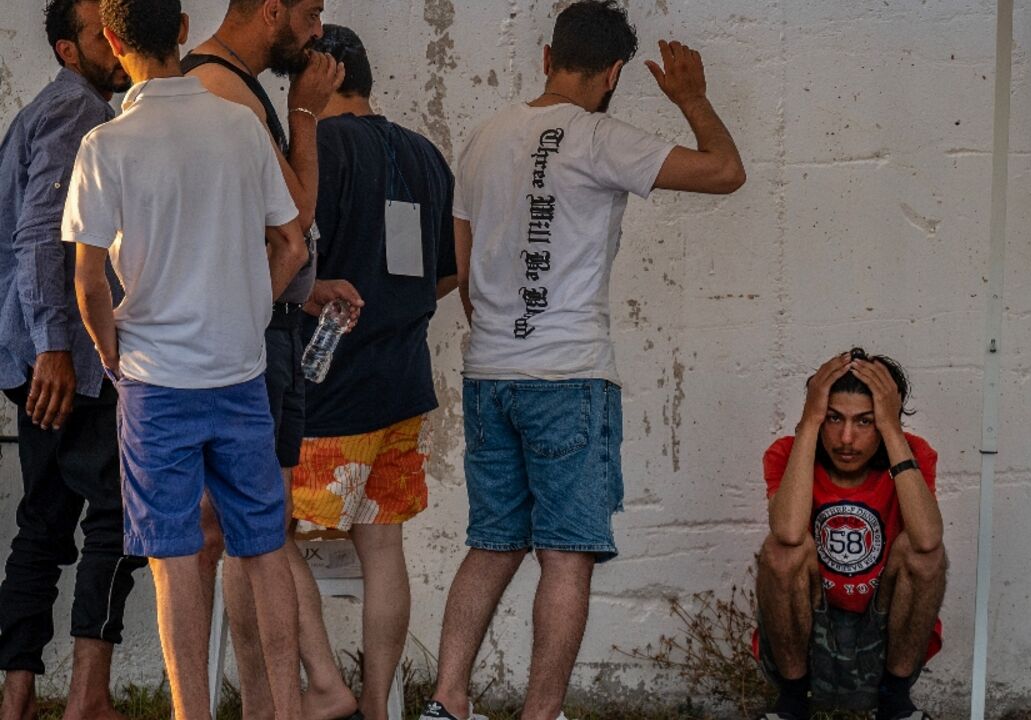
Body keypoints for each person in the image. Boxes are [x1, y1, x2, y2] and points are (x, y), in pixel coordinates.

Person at [420, 2, 745, 719]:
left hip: (492, 370)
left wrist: (508, 334)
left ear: (546, 56)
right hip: (569, 375)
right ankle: (541, 713)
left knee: (493, 542)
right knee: (566, 553)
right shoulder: (603, 139)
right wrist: (691, 98)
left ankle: (447, 701)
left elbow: (465, 272)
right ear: (615, 73)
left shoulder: (484, 138)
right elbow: (725, 171)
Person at [64, 0, 311, 717]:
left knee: (175, 561)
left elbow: (87, 283)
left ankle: (190, 713)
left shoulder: (106, 144)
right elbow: (293, 244)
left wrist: (115, 357)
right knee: (263, 548)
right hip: (239, 372)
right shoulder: (240, 125)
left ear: (112, 42)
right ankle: (288, 712)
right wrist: (248, 313)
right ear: (182, 30)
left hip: (154, 381)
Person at [180, 4, 359, 718]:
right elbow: (295, 212)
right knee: (236, 534)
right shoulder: (222, 91)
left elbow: (254, 235)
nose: (317, 32)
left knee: (249, 533)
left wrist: (302, 289)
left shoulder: (233, 86)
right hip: (239, 342)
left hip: (266, 326)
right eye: (311, 13)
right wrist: (307, 116)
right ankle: (282, 703)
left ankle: (267, 705)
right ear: (273, 8)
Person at [277, 24, 455, 720]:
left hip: (326, 399)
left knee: (257, 529)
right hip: (403, 389)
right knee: (384, 549)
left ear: (321, 75)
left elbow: (288, 260)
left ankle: (325, 684)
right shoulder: (423, 155)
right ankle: (376, 709)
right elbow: (447, 271)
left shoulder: (314, 149)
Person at [0, 2, 144, 718]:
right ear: (67, 47)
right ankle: (89, 697)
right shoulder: (76, 113)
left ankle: (18, 696)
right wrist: (57, 346)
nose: (116, 47)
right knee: (117, 517)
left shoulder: (66, 109)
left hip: (52, 358)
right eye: (99, 36)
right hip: (72, 364)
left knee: (44, 523)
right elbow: (38, 237)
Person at [754, 349, 946, 720]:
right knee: (782, 551)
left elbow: (926, 541)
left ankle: (896, 705)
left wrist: (892, 430)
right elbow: (790, 532)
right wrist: (808, 422)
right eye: (833, 418)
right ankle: (792, 706)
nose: (846, 438)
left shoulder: (913, 453)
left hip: (883, 628)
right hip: (811, 629)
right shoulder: (787, 454)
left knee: (925, 553)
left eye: (864, 422)